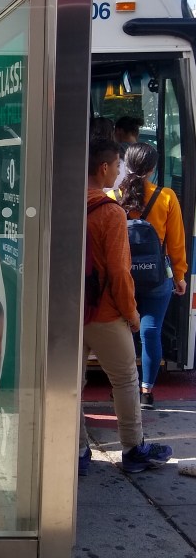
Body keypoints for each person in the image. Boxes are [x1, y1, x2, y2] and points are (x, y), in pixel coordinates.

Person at [80, 137, 172, 475]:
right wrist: (132, 314)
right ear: (104, 167)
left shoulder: (64, 204)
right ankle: (134, 450)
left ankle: (77, 451)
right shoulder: (110, 212)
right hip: (104, 314)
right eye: (117, 166)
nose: (119, 172)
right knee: (125, 380)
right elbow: (120, 272)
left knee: (71, 384)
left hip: (68, 310)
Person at [110, 141, 187, 407]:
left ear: (126, 165)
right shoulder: (166, 197)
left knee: (122, 334)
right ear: (153, 168)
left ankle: (122, 389)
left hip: (122, 276)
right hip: (156, 278)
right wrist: (179, 276)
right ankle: (146, 393)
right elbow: (176, 242)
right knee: (150, 333)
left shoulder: (114, 197)